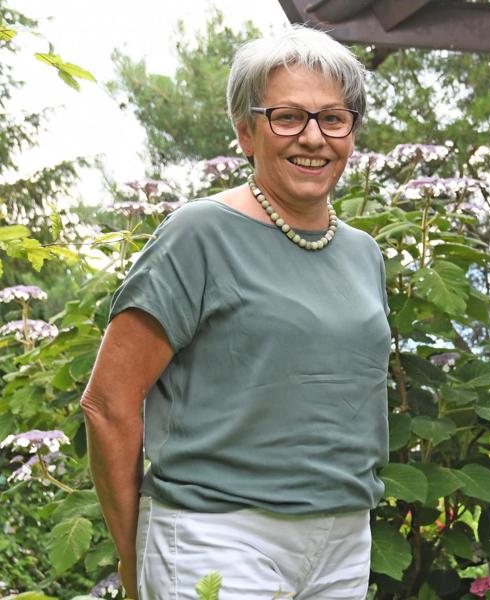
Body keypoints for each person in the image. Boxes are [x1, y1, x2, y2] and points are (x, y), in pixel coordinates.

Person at [81, 26, 391, 599]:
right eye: (288, 117)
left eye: (333, 118)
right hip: (217, 536)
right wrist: (132, 558)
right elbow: (108, 404)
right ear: (246, 131)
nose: (314, 137)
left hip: (344, 540)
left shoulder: (363, 253)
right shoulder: (198, 234)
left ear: (352, 132)